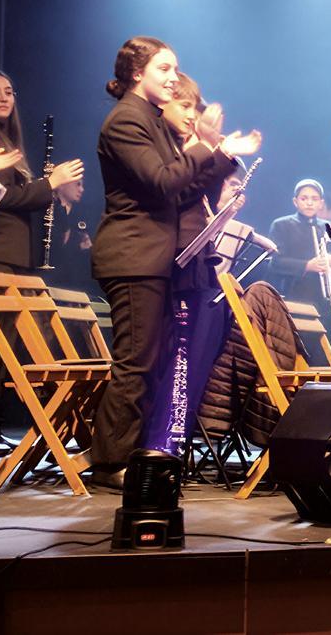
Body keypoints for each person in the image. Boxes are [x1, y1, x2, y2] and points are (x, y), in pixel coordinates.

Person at [92, 37, 260, 488]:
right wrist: (206, 144)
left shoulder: (152, 122)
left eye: (175, 68)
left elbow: (184, 191)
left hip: (155, 258)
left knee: (150, 359)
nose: (172, 77)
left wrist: (222, 156)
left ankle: (130, 453)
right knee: (136, 361)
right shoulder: (126, 120)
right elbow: (164, 181)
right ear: (135, 73)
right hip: (132, 257)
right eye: (164, 68)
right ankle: (109, 462)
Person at [0, 69, 84, 456]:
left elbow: (18, 197)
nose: (4, 98)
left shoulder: (7, 142)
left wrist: (45, 190)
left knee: (5, 348)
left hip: (14, 258)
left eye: (9, 91)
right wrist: (48, 186)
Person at [268, 178, 331, 336]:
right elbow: (275, 262)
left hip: (323, 298)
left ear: (321, 203)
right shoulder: (281, 225)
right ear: (295, 201)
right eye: (304, 199)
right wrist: (307, 265)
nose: (309, 203)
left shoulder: (326, 227)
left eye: (314, 199)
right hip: (295, 295)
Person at [49, 178, 96, 295]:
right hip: (49, 282)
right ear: (61, 184)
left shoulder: (83, 216)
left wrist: (85, 249)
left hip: (74, 286)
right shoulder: (45, 211)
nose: (81, 189)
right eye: (77, 184)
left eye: (82, 185)